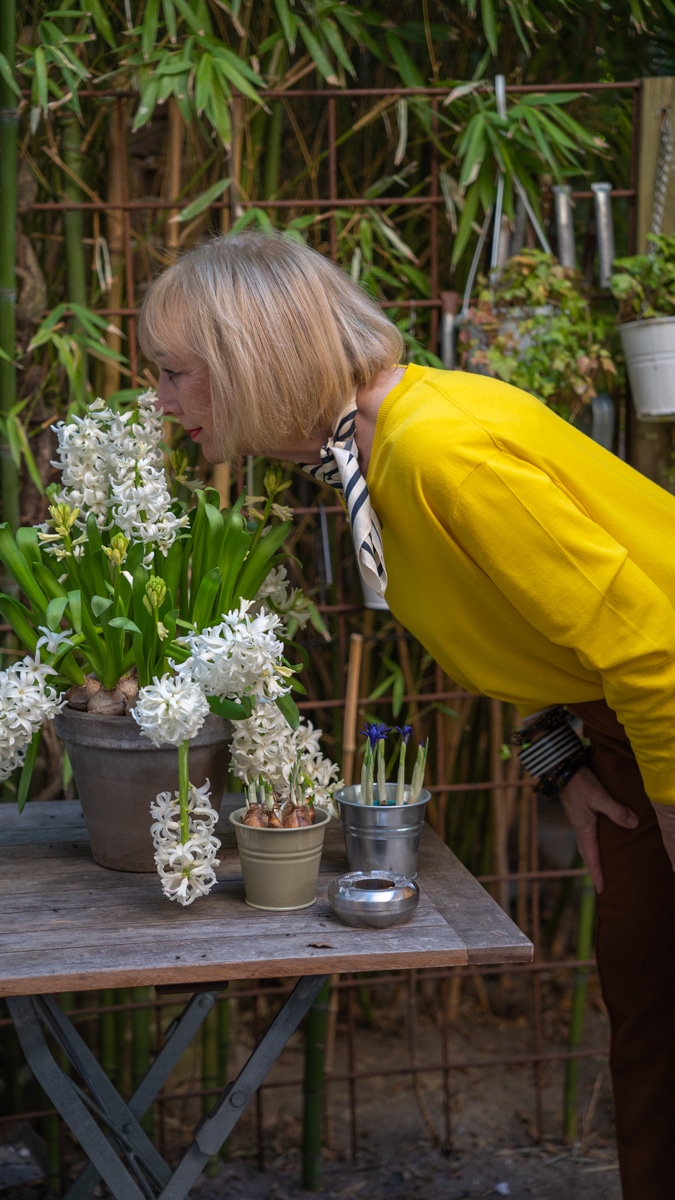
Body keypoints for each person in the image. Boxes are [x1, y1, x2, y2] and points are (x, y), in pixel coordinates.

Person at [138, 229, 675, 1200]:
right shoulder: (384, 441)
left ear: (250, 358)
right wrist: (565, 756)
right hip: (629, 737)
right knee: (654, 1031)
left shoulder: (435, 449)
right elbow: (544, 624)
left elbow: (656, 647)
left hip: (666, 719)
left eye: (175, 374)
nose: (163, 402)